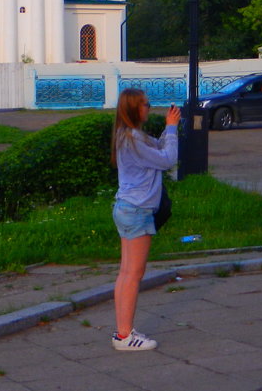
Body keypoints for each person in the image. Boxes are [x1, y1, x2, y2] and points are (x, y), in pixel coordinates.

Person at [110, 88, 180, 351]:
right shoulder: (132, 139)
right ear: (134, 109)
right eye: (145, 105)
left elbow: (159, 150)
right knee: (132, 274)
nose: (149, 108)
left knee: (127, 273)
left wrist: (168, 128)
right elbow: (168, 159)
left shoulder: (131, 136)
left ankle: (123, 332)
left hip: (129, 208)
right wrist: (172, 129)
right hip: (137, 211)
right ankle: (125, 336)